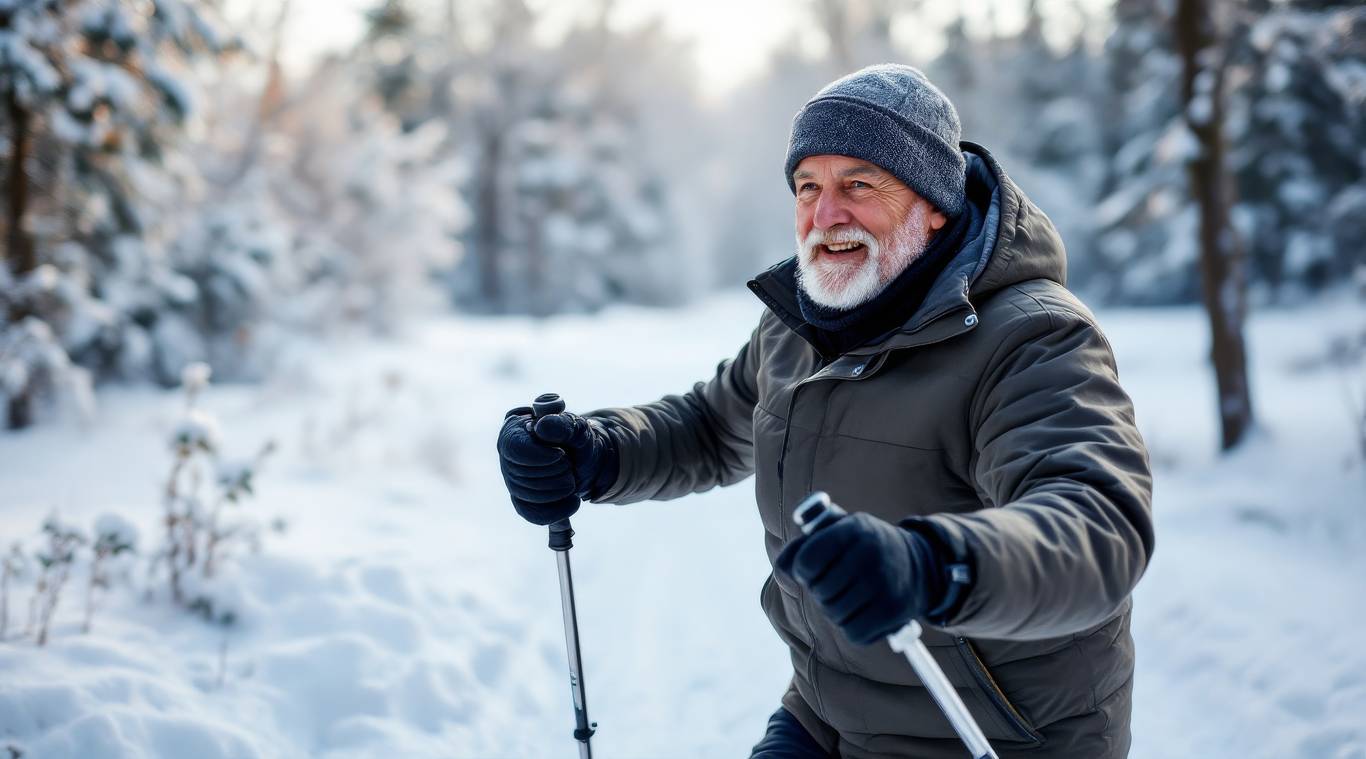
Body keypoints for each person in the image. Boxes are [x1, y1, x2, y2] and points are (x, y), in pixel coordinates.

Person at [497, 63, 1154, 759]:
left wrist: (934, 564)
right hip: (826, 715)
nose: (826, 215)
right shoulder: (802, 325)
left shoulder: (1031, 337)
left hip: (992, 737)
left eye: (859, 185)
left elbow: (1097, 522)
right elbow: (710, 427)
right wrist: (598, 451)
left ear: (934, 203)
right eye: (808, 187)